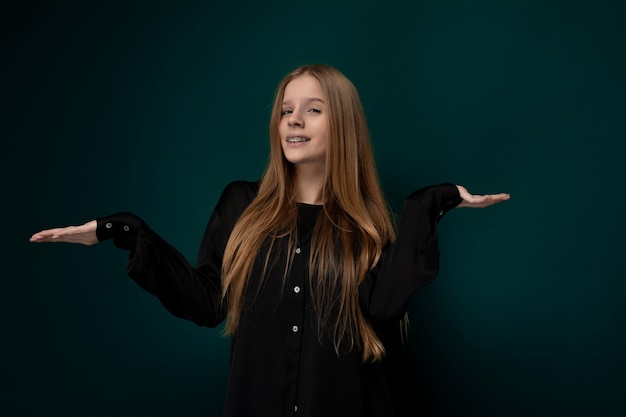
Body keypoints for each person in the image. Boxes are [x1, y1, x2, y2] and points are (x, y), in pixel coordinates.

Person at [30, 64, 510, 417]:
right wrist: (126, 231)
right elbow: (206, 300)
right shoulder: (241, 205)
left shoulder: (364, 228)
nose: (294, 121)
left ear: (342, 124)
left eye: (312, 110)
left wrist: (428, 203)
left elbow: (383, 305)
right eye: (286, 110)